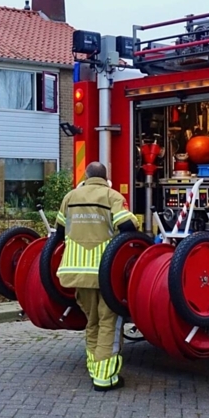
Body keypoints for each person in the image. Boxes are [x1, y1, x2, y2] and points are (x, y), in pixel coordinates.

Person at [53, 162, 139, 392]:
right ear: (106, 178)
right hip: (105, 274)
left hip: (76, 272)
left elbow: (59, 231)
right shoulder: (112, 196)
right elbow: (127, 225)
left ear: (86, 175)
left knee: (92, 322)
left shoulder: (70, 197)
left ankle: (94, 367)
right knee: (109, 323)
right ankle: (104, 377)